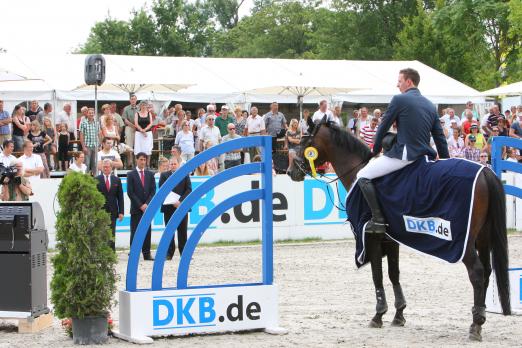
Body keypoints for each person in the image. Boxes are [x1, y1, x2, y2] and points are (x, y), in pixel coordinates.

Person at [357, 68, 449, 233]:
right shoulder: (430, 105)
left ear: (409, 82)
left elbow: (383, 127)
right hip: (425, 155)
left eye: (399, 82)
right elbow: (439, 137)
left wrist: (375, 150)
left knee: (362, 175)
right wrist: (446, 160)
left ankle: (378, 220)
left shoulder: (399, 99)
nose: (397, 85)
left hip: (405, 155)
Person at [159, 156, 192, 259]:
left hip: (181, 207)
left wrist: (180, 201)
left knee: (183, 231)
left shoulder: (184, 175)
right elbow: (162, 189)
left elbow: (189, 190)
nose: (173, 166)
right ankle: (169, 254)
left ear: (178, 165)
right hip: (168, 208)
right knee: (169, 232)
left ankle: (184, 254)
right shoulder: (164, 175)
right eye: (171, 164)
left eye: (175, 164)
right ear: (169, 165)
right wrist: (172, 201)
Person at [127, 153, 156, 260]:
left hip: (147, 209)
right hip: (136, 209)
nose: (143, 162)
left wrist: (147, 204)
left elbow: (153, 191)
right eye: (141, 159)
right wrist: (140, 205)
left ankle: (146, 254)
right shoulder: (131, 174)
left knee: (147, 232)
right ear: (136, 160)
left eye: (144, 160)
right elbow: (130, 193)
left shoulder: (150, 174)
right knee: (134, 231)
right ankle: (134, 254)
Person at [96, 159, 124, 251]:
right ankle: (102, 252)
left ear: (111, 168)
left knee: (112, 232)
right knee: (101, 232)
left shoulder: (116, 180)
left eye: (107, 167)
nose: (105, 168)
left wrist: (121, 212)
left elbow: (120, 197)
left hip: (113, 211)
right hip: (101, 211)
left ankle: (112, 252)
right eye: (104, 167)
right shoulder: (96, 179)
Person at [79, 107, 100, 176]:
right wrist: (83, 147)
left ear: (94, 114)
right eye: (89, 113)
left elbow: (99, 134)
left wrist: (99, 145)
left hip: (95, 146)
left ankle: (95, 178)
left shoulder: (96, 123)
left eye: (92, 113)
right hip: (87, 146)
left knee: (95, 163)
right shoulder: (83, 123)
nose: (91, 114)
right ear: (87, 114)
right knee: (86, 163)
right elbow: (81, 135)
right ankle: (86, 178)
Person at [134, 101, 154, 166]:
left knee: (148, 149)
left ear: (146, 106)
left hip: (148, 133)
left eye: (145, 105)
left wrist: (145, 130)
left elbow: (151, 123)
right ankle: (138, 165)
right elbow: (136, 123)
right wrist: (141, 130)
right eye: (142, 105)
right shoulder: (137, 113)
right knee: (138, 149)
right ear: (140, 106)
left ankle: (147, 165)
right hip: (139, 134)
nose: (143, 106)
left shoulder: (149, 113)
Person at [123, 94, 138, 169]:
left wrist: (137, 127)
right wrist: (133, 126)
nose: (133, 100)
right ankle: (130, 163)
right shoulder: (126, 108)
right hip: (129, 127)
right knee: (129, 146)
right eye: (131, 99)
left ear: (136, 100)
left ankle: (137, 162)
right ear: (130, 100)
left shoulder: (139, 108)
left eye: (134, 99)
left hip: (138, 129)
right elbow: (125, 120)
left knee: (137, 146)